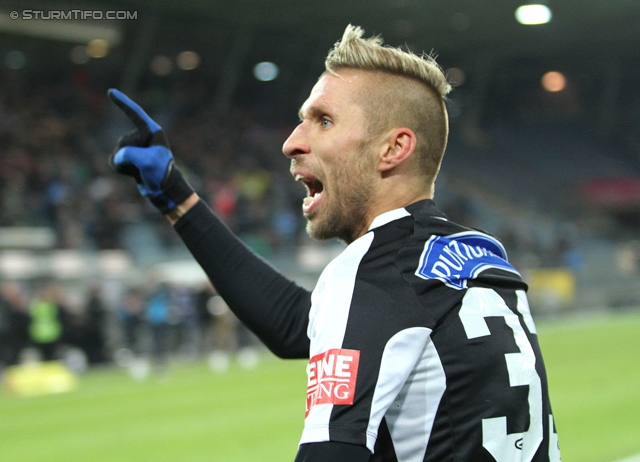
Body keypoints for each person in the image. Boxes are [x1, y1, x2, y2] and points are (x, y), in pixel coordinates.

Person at [107, 25, 560, 462]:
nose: (290, 143)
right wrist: (177, 199)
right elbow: (296, 325)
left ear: (392, 149)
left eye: (323, 121)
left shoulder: (374, 272)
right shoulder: (478, 253)